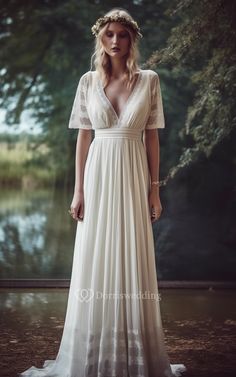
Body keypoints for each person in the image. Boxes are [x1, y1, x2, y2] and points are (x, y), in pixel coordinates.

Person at [18, 7, 187, 377]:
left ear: (132, 40)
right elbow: (83, 139)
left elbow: (152, 139)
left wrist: (154, 191)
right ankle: (90, 353)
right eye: (108, 34)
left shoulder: (149, 80)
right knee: (96, 254)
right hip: (98, 175)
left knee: (132, 251)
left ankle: (135, 353)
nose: (115, 41)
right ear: (100, 38)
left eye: (122, 35)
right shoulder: (87, 82)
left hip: (131, 173)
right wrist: (79, 191)